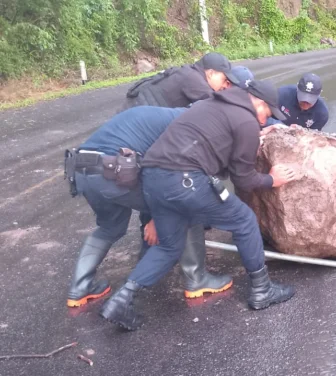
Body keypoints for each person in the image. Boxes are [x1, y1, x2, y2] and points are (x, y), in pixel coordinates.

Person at [99, 80, 297, 331]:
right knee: (244, 220)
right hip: (185, 180)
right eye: (267, 114)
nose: (264, 121)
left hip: (152, 179)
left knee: (171, 246)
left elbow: (213, 140)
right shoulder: (246, 120)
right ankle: (262, 289)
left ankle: (122, 298)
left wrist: (252, 137)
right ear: (257, 101)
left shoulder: (211, 104)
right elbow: (244, 180)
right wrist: (272, 180)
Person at [64, 106, 233, 308]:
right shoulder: (184, 126)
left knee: (110, 227)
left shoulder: (157, 115)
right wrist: (158, 216)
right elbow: (167, 175)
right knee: (186, 208)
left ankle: (79, 288)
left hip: (82, 170)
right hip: (116, 171)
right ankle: (197, 279)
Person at [119, 52, 239, 112]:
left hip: (132, 110)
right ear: (211, 73)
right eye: (224, 80)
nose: (225, 86)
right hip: (132, 118)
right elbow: (218, 108)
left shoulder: (187, 71)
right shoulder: (195, 81)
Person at [264, 73, 329, 131]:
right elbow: (260, 115)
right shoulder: (281, 94)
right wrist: (279, 125)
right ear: (297, 89)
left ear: (319, 94)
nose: (306, 102)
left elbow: (314, 136)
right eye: (303, 96)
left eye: (311, 98)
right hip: (272, 130)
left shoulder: (322, 114)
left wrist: (301, 131)